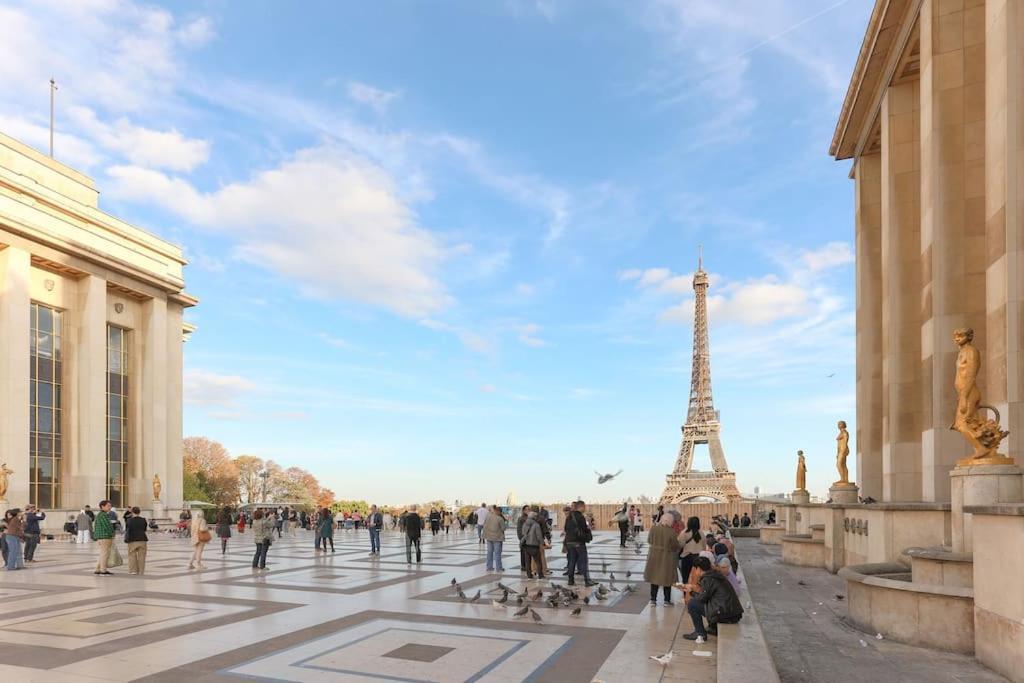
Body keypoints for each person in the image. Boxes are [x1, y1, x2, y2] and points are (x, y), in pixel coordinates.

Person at [682, 556, 744, 642]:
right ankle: (713, 627)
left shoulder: (708, 579)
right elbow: (708, 596)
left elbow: (702, 599)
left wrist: (691, 592)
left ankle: (700, 633)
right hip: (733, 613)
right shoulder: (715, 575)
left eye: (694, 569)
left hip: (726, 614)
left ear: (698, 569)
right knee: (709, 605)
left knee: (692, 604)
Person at [644, 513, 681, 606]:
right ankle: (666, 601)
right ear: (670, 522)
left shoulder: (653, 528)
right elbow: (675, 546)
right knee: (667, 579)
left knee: (654, 578)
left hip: (653, 556)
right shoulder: (671, 532)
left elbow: (649, 540)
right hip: (666, 557)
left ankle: (653, 600)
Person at [564, 500, 596, 587]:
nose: (585, 508)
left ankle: (570, 580)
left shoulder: (569, 516)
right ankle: (587, 580)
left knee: (572, 561)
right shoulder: (580, 516)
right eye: (584, 507)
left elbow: (566, 528)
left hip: (570, 542)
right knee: (583, 560)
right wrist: (588, 530)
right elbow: (584, 529)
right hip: (578, 542)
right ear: (580, 507)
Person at [520, 510, 545, 579]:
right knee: (538, 561)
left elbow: (523, 533)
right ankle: (540, 574)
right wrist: (542, 543)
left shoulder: (525, 524)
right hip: (534, 545)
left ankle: (529, 575)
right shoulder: (536, 525)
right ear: (534, 517)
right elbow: (539, 536)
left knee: (528, 561)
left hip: (526, 545)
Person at [678, 516, 703, 583]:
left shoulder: (684, 533)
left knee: (686, 578)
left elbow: (680, 545)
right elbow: (704, 546)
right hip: (698, 558)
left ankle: (687, 592)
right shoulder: (701, 533)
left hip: (686, 557)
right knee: (697, 578)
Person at [124, 506, 149, 575]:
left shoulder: (129, 520)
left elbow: (127, 529)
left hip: (132, 539)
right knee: (142, 556)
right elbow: (144, 529)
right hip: (142, 539)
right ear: (139, 512)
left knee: (132, 555)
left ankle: (133, 570)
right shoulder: (143, 520)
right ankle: (141, 571)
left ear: (132, 512)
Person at [93, 500, 115, 575]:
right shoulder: (103, 515)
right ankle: (103, 570)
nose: (110, 507)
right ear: (102, 506)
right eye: (108, 506)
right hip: (105, 537)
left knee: (102, 553)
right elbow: (107, 526)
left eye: (110, 506)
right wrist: (112, 534)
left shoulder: (100, 514)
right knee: (105, 554)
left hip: (101, 537)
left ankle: (98, 569)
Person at [483, 504, 506, 572]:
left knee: (489, 552)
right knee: (497, 553)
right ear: (499, 512)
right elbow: (503, 528)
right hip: (497, 537)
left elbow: (484, 525)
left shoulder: (488, 517)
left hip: (489, 537)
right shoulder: (500, 518)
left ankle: (489, 567)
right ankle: (499, 567)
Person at [516, 505, 530, 574]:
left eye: (528, 509)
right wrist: (521, 538)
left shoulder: (530, 518)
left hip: (530, 538)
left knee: (528, 552)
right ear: (523, 510)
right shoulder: (521, 518)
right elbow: (519, 529)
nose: (528, 511)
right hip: (523, 538)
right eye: (526, 509)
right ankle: (523, 566)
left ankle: (527, 565)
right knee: (523, 552)